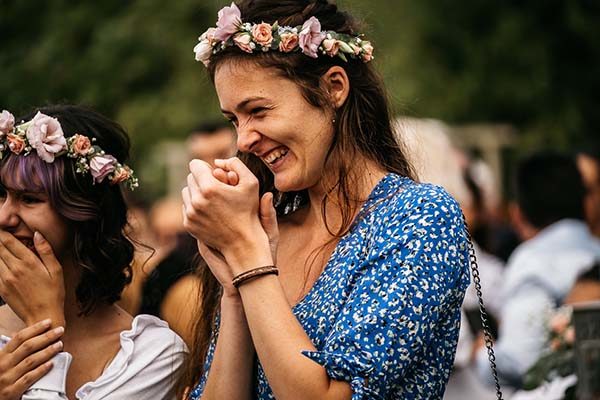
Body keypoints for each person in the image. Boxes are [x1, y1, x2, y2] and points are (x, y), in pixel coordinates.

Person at [180, 1, 472, 399]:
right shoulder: (268, 230)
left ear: (334, 87)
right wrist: (235, 289)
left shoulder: (418, 216)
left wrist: (248, 257)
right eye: (235, 119)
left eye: (258, 111)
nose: (243, 139)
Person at [0, 105, 187, 399]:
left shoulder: (152, 354)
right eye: (1, 196)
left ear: (84, 214)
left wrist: (44, 326)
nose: (4, 217)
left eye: (29, 199)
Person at [475, 151, 600, 387]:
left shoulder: (532, 262)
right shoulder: (596, 248)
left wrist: (483, 355)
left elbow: (522, 361)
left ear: (519, 213)